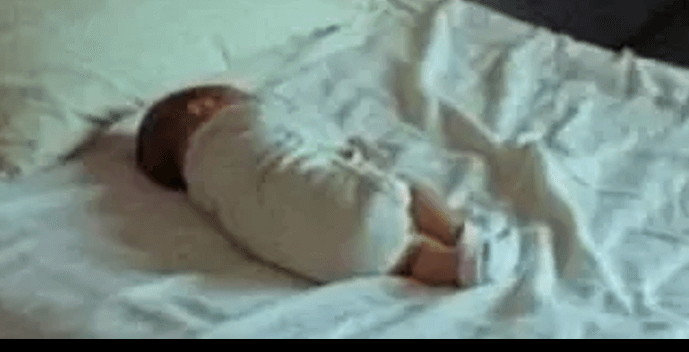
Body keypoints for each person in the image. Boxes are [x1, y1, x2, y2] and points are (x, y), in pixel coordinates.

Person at [135, 84, 490, 288]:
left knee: (403, 256)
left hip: (331, 264)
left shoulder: (201, 191)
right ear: (203, 106)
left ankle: (446, 266)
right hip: (358, 201)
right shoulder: (241, 119)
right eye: (234, 93)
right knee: (412, 194)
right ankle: (459, 234)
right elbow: (317, 132)